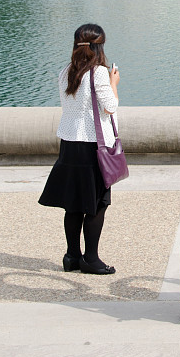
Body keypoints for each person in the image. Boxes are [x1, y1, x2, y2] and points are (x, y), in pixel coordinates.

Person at [39, 23, 120, 275]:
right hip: (92, 146)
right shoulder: (98, 73)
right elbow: (110, 107)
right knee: (97, 203)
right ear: (99, 46)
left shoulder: (65, 72)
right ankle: (91, 259)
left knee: (73, 203)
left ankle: (72, 256)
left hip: (69, 145)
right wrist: (114, 81)